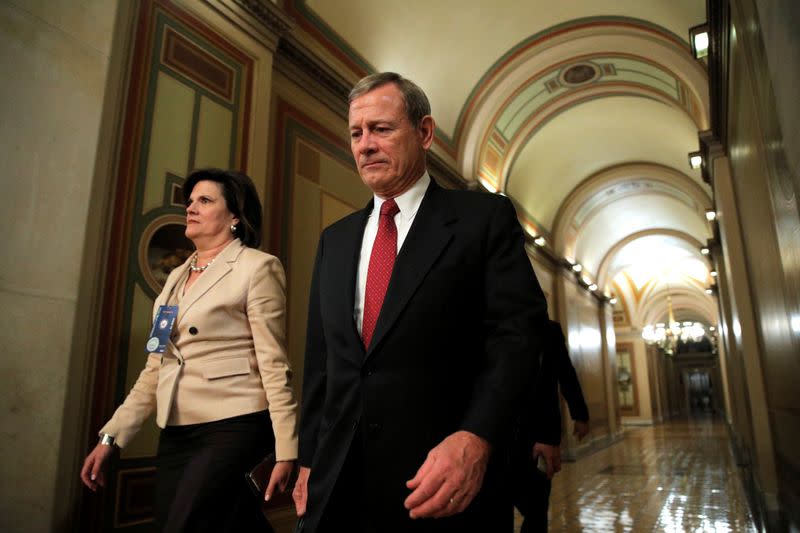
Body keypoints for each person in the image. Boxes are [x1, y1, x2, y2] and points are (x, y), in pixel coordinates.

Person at [291, 72, 549, 532]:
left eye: (381, 129)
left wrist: (478, 437)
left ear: (424, 133)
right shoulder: (336, 240)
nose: (365, 144)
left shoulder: (481, 220)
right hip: (341, 483)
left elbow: (518, 338)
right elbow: (323, 362)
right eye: (356, 133)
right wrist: (310, 458)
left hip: (440, 481)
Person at [80, 168, 299, 532]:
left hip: (233, 424)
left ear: (234, 216)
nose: (191, 208)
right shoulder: (175, 280)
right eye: (190, 201)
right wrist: (111, 437)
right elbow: (156, 368)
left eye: (205, 200)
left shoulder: (257, 268)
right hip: (176, 429)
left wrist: (287, 447)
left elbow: (274, 363)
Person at [511, 320, 589, 532]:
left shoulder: (548, 330)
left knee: (536, 509)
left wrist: (579, 414)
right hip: (493, 436)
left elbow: (563, 374)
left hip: (533, 437)